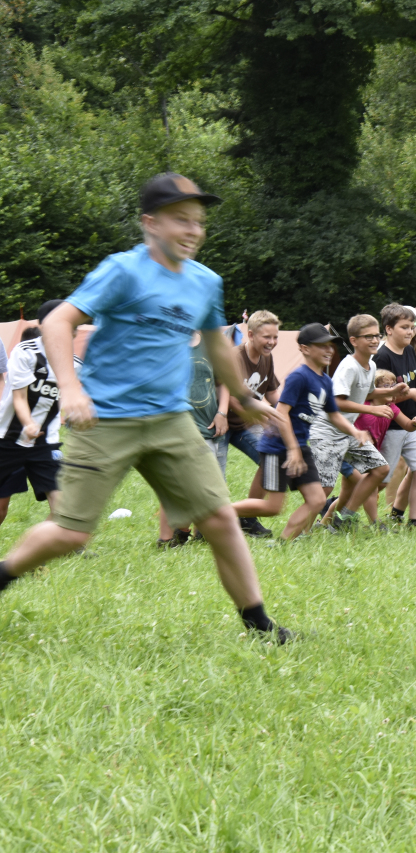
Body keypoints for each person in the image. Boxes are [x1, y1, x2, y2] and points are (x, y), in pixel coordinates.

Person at [0, 172, 295, 641]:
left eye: (198, 221)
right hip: (106, 420)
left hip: (170, 420)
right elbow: (57, 322)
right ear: (150, 223)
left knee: (220, 518)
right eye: (181, 219)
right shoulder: (123, 271)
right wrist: (71, 389)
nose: (193, 230)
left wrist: (243, 397)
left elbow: (217, 345)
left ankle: (260, 626)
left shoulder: (205, 281)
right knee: (71, 533)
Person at [232, 324, 374, 539]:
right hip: (277, 447)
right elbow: (281, 413)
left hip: (299, 446)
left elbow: (334, 415)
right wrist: (292, 449)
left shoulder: (325, 381)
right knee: (273, 507)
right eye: (322, 346)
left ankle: (283, 543)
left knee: (317, 500)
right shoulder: (298, 377)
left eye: (330, 346)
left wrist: (355, 432)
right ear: (305, 349)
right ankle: (215, 514)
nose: (329, 350)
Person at [310, 314, 397, 531]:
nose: (375, 340)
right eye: (368, 336)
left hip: (347, 431)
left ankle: (346, 516)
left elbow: (367, 392)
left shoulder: (371, 365)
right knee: (324, 489)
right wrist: (371, 409)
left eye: (377, 335)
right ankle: (300, 533)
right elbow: (337, 402)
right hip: (328, 432)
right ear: (354, 341)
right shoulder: (349, 366)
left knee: (380, 469)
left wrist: (395, 390)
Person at [0, 299, 77, 533]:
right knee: (1, 509)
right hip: (7, 439)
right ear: (46, 326)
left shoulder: (75, 364)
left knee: (63, 506)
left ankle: (45, 548)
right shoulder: (26, 352)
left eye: (74, 325)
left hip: (45, 443)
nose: (73, 331)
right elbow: (19, 398)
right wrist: (29, 424)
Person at [158, 329, 229, 547]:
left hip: (211, 425)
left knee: (210, 485)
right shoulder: (167, 342)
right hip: (179, 426)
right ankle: (168, 538)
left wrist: (222, 413)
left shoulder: (210, 342)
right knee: (176, 485)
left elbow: (222, 381)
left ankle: (201, 533)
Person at [374, 303, 416, 526]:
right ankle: (342, 508)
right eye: (405, 327)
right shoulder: (382, 357)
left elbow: (413, 384)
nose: (411, 332)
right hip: (389, 427)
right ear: (389, 329)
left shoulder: (409, 350)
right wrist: (411, 394)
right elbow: (378, 398)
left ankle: (413, 522)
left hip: (412, 423)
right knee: (380, 480)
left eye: (413, 327)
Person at [225, 309, 280, 539]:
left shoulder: (267, 358)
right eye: (267, 337)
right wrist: (262, 421)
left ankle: (247, 518)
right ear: (250, 335)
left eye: (275, 337)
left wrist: (285, 412)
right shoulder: (235, 357)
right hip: (221, 423)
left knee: (271, 458)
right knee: (212, 477)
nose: (272, 342)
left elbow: (273, 393)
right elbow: (231, 399)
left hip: (246, 425)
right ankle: (202, 525)